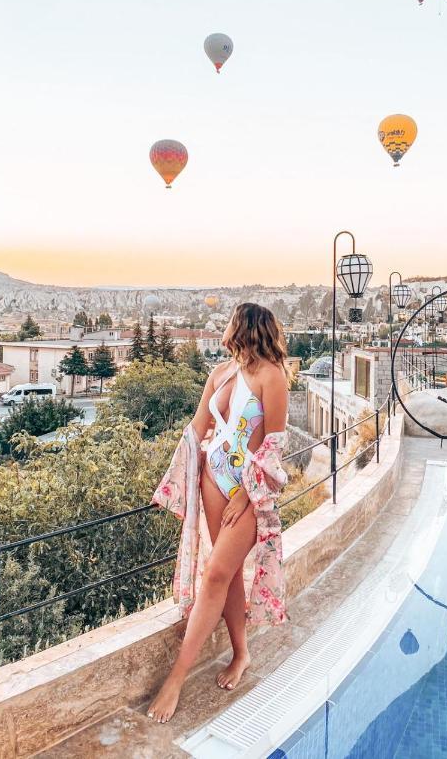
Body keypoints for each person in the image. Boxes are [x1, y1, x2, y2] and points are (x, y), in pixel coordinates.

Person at [147, 303, 289, 724]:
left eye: (231, 322)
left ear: (245, 327)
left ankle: (176, 678)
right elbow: (196, 430)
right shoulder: (221, 374)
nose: (226, 328)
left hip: (246, 492)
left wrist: (246, 496)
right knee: (224, 578)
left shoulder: (272, 377)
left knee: (214, 574)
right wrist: (171, 481)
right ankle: (241, 652)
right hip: (213, 479)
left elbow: (274, 446)